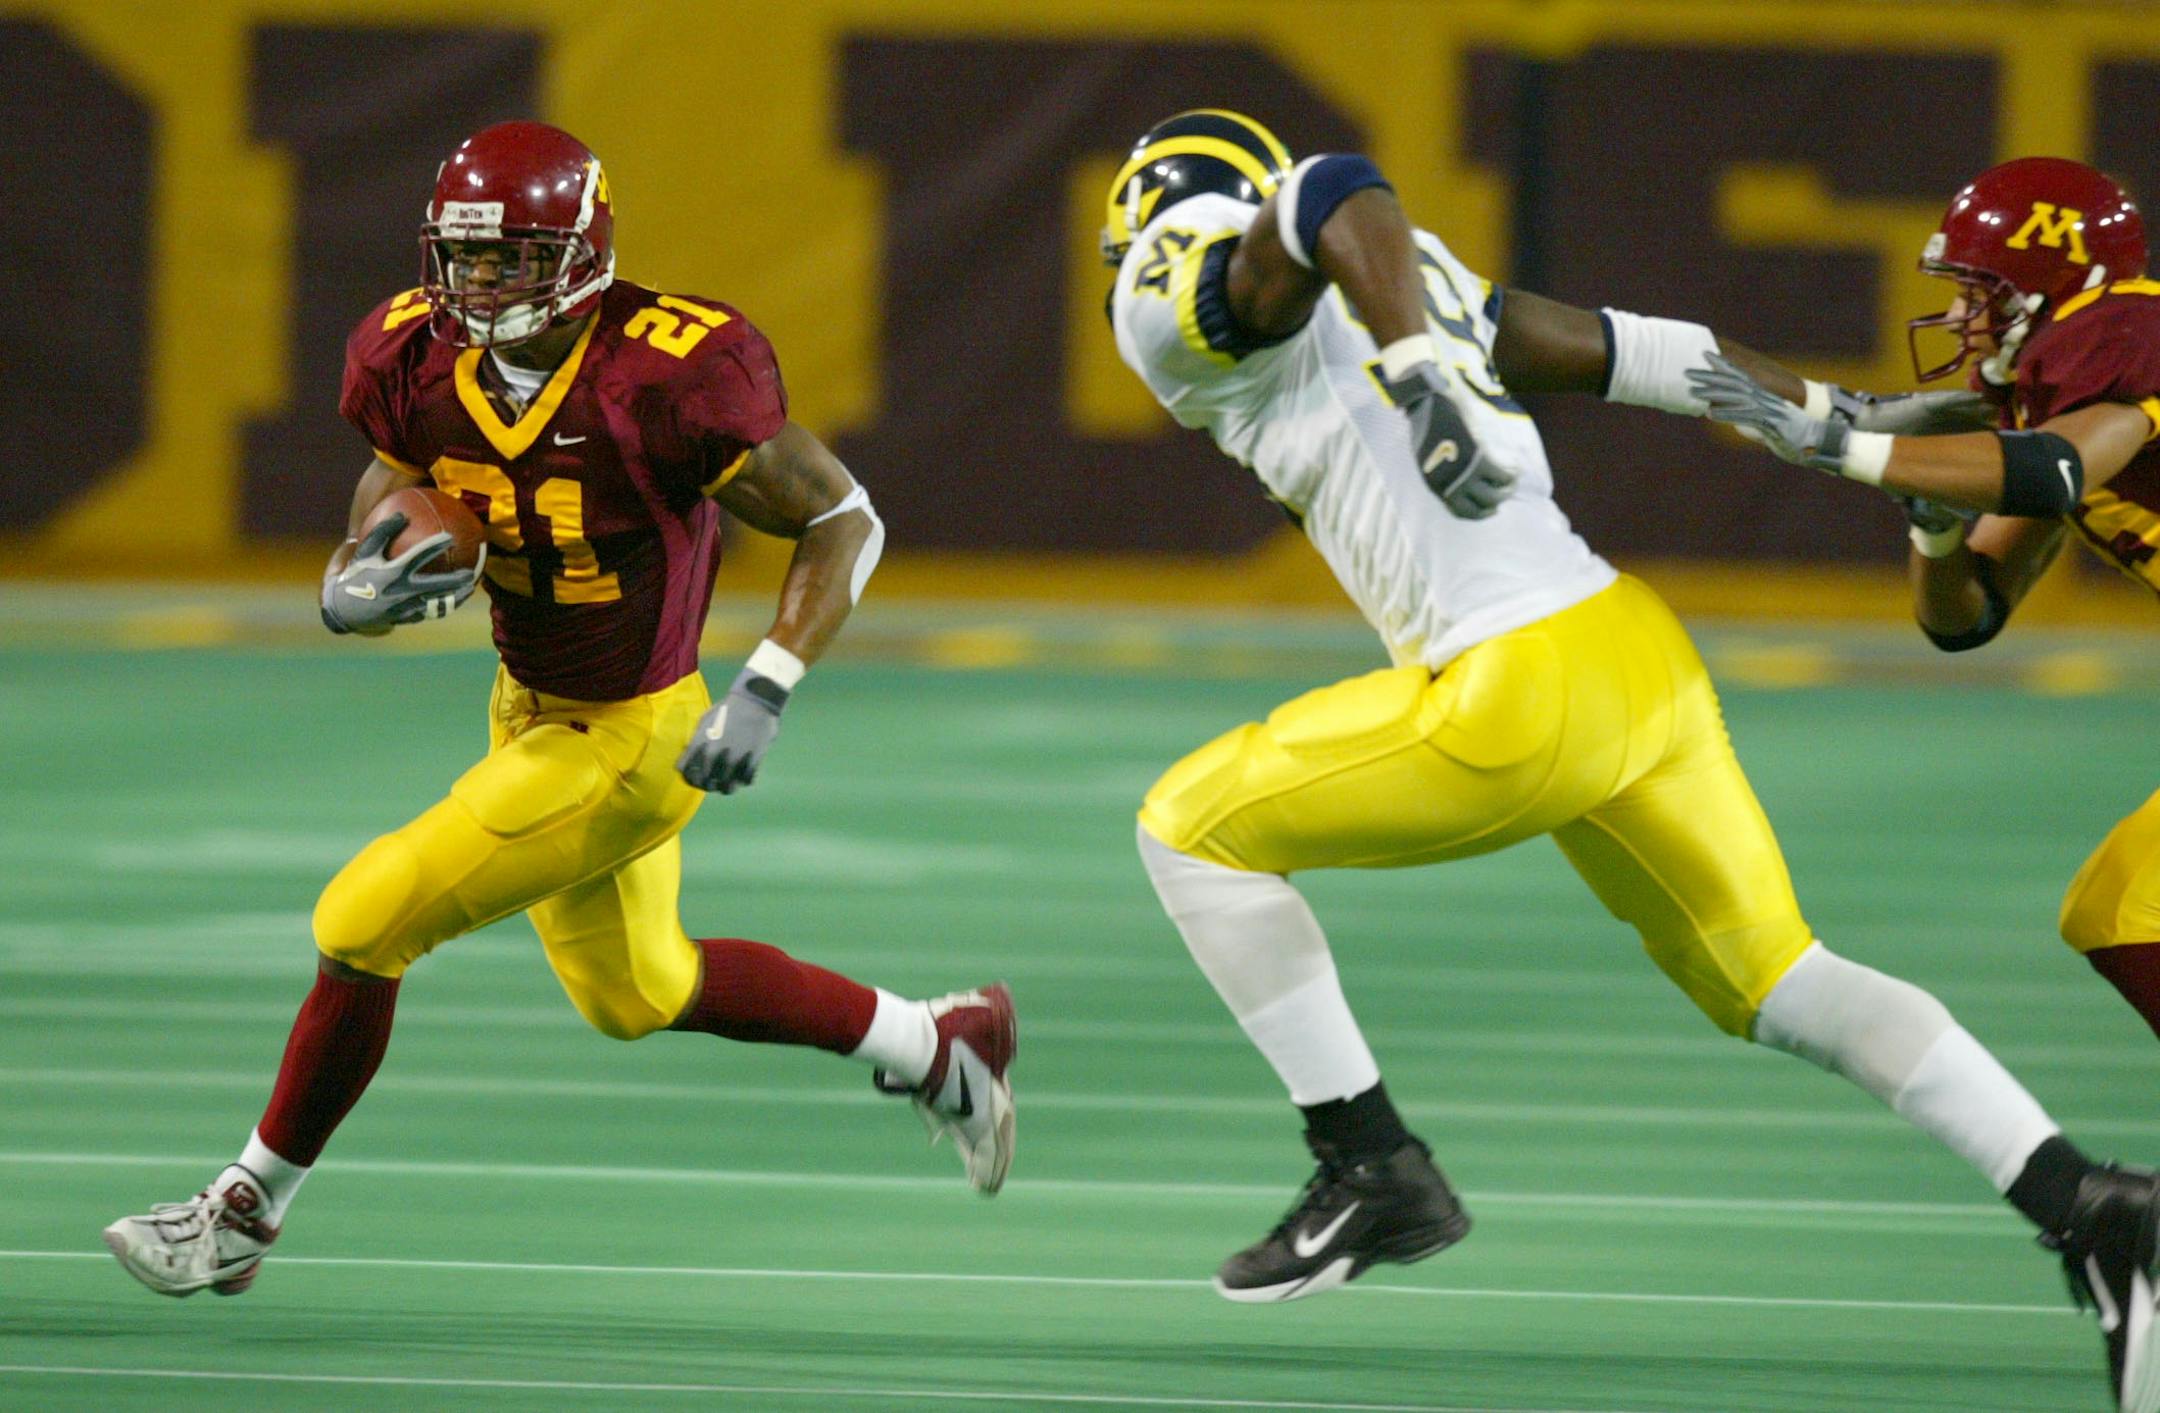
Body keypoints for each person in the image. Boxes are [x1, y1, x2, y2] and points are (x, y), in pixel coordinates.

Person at [1100, 110, 2159, 1408]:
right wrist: (1836, 420)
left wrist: (1422, 367)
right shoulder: (1400, 275)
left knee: (1186, 826)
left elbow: (1328, 183)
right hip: (1629, 657)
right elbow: (1655, 356)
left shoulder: (1181, 284)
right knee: (1781, 980)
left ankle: (1369, 1162)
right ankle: (2088, 1202)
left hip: (1514, 681)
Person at [102, 120, 1017, 1300]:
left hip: (632, 734)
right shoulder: (407, 353)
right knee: (641, 992)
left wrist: (769, 682)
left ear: (579, 253)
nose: (482, 286)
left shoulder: (671, 370)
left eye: (513, 260)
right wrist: (362, 558)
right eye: (465, 258)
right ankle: (939, 1045)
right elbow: (400, 466)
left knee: (362, 919)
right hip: (526, 703)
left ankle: (239, 1213)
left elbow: (847, 519)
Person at [1692, 156, 2160, 1042]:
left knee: (2132, 906)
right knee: (2120, 905)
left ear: (2044, 289)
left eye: (1977, 291)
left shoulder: (2125, 334)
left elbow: (2051, 471)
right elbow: (1968, 614)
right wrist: (1934, 526)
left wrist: (1845, 450)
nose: (1954, 315)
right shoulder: (2056, 394)